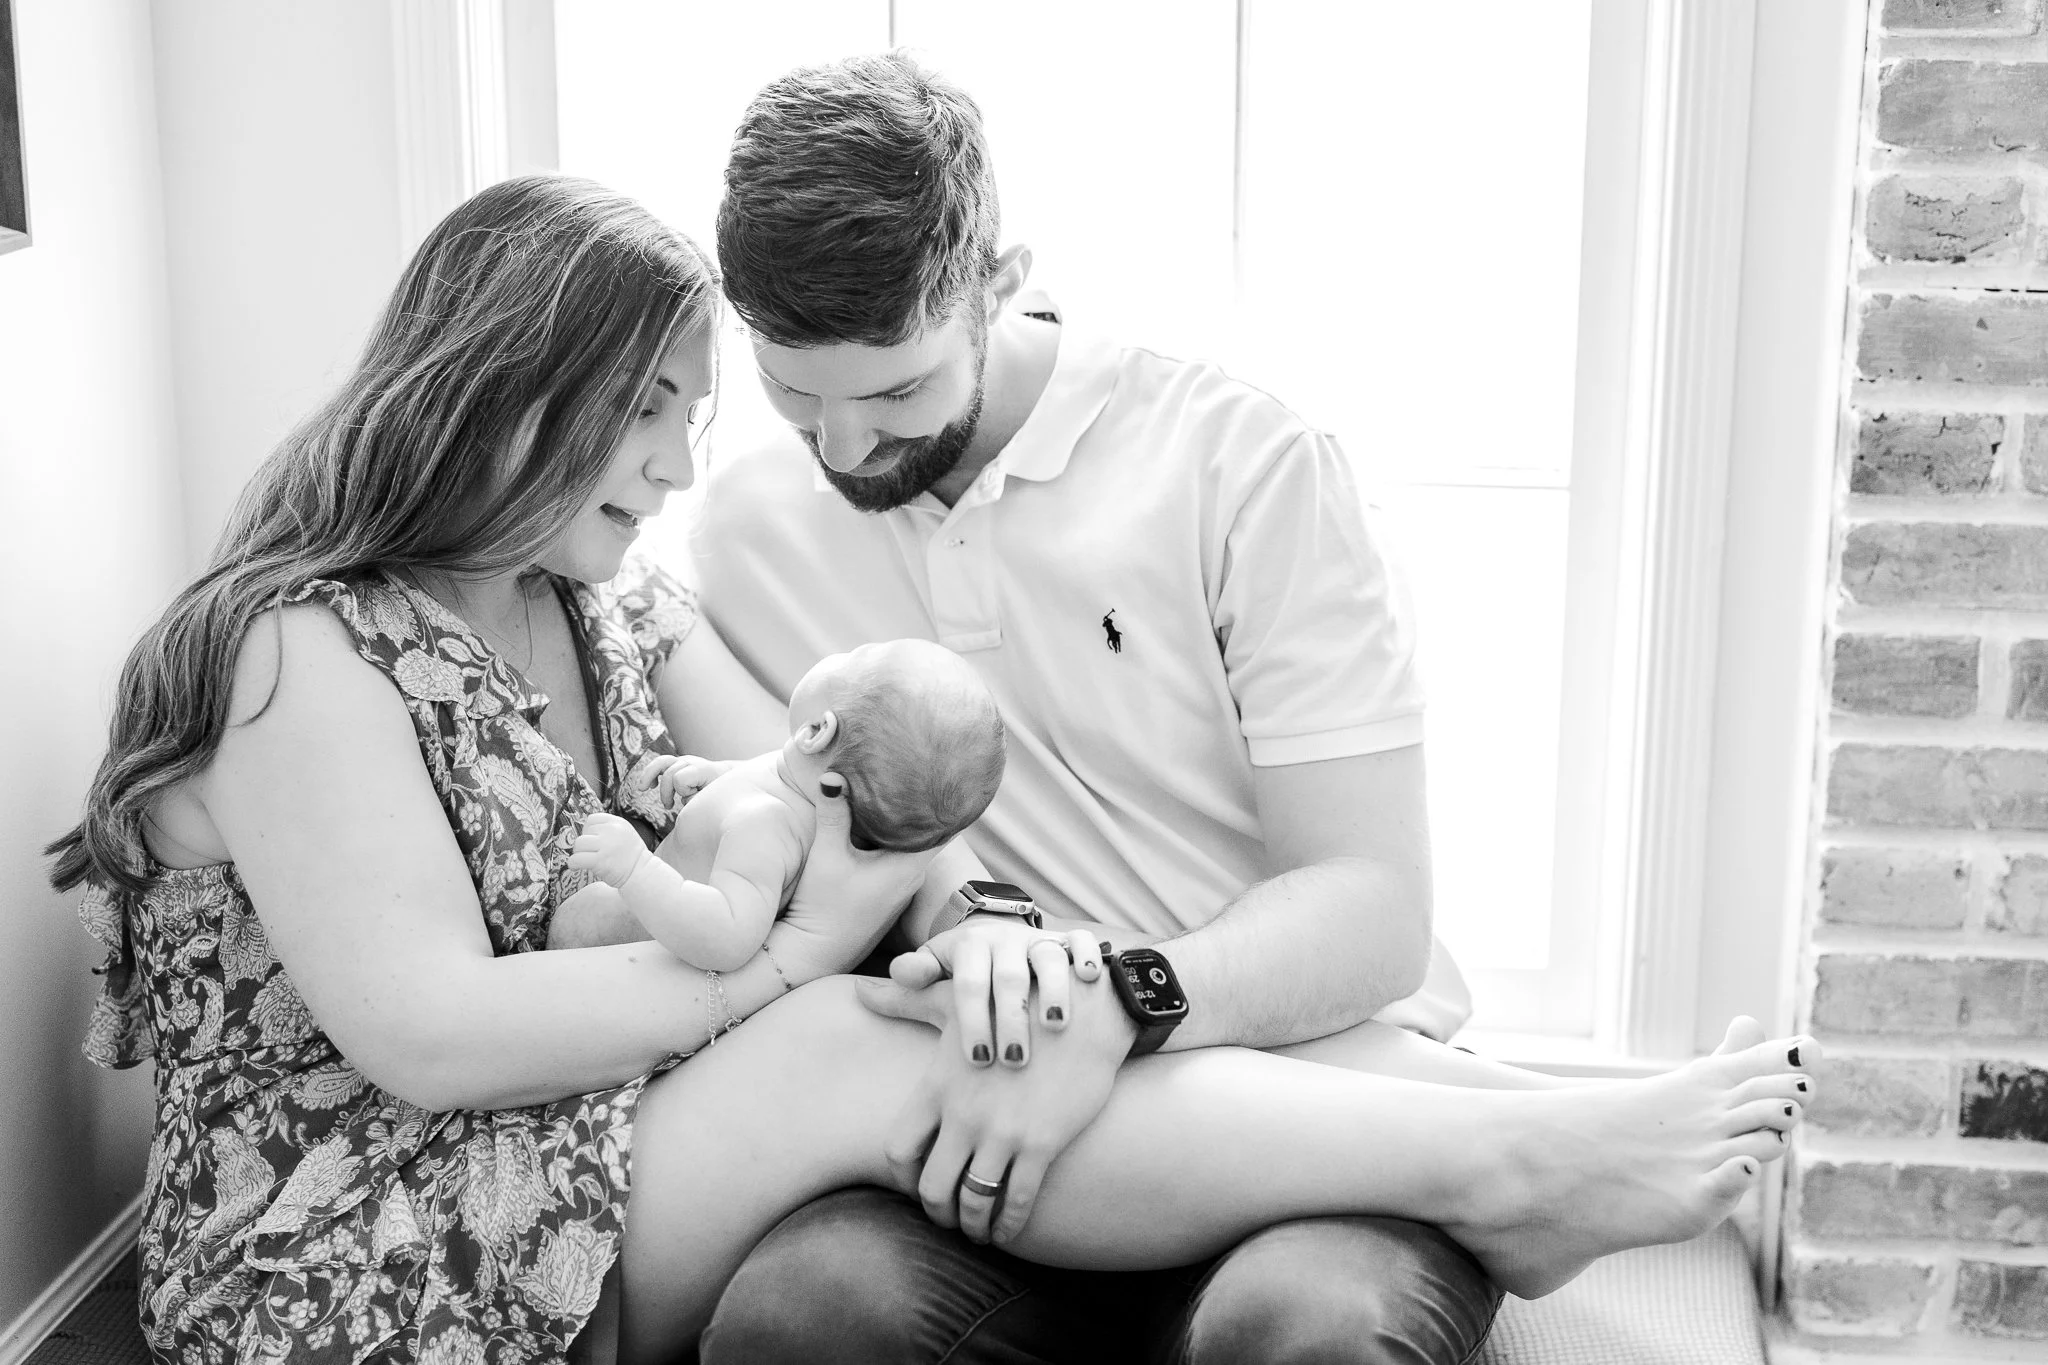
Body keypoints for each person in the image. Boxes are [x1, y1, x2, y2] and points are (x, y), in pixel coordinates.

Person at [46, 173, 1814, 1365]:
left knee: (933, 1004)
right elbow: (431, 1036)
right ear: (510, 390)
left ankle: (1509, 1137)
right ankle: (1502, 1174)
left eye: (685, 415)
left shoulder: (600, 607)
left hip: (581, 1144)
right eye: (647, 411)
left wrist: (984, 945)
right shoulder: (297, 646)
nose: (681, 463)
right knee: (840, 1026)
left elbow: (854, 801)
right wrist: (801, 960)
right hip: (361, 1226)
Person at [681, 51, 1702, 1364]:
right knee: (798, 1322)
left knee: (1310, 1334)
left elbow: (1373, 909)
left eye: (892, 392)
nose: (842, 450)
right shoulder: (745, 530)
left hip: (1313, 1108)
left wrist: (1128, 1000)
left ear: (997, 284)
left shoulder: (1240, 465)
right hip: (995, 1135)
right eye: (790, 390)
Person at [563, 638, 1010, 970]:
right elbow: (765, 779)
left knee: (580, 922)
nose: (841, 652)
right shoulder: (799, 792)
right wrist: (716, 774)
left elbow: (728, 936)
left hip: (625, 958)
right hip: (623, 952)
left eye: (854, 656)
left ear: (816, 731)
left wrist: (636, 870)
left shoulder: (764, 826)